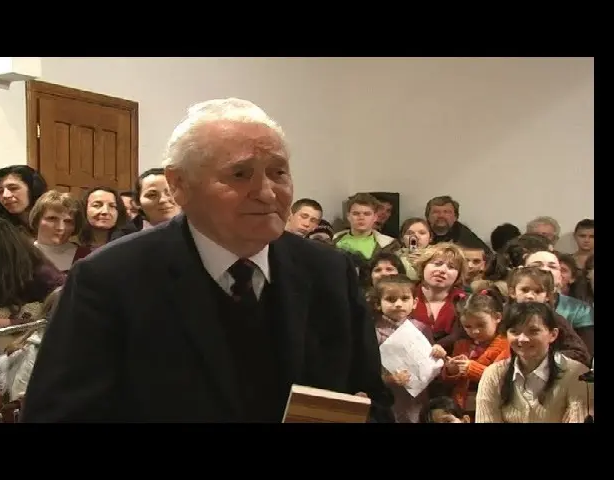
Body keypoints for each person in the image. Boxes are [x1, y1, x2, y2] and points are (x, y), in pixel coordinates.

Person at [21, 97, 394, 423]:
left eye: (279, 172)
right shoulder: (110, 280)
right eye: (239, 174)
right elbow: (58, 413)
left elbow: (371, 400)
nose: (267, 193)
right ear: (179, 184)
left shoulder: (328, 271)